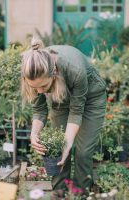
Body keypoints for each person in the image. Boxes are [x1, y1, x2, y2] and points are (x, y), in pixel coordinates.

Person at [20, 38, 106, 192]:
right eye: (35, 87)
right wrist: (34, 134)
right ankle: (59, 191)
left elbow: (76, 111)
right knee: (58, 148)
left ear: (54, 73)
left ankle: (80, 192)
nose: (40, 91)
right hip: (60, 97)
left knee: (83, 152)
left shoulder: (74, 69)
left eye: (43, 86)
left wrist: (68, 143)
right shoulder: (31, 71)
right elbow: (39, 110)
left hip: (91, 100)